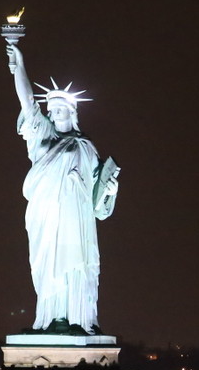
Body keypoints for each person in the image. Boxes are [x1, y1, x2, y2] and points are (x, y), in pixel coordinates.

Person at [7, 42, 119, 335]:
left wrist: (109, 189)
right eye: (51, 109)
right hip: (46, 213)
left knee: (75, 262)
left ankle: (77, 318)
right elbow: (27, 102)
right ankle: (52, 317)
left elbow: (98, 203)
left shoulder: (86, 147)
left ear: (72, 111)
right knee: (48, 264)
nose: (54, 112)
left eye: (60, 109)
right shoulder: (42, 135)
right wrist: (19, 63)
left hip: (76, 216)